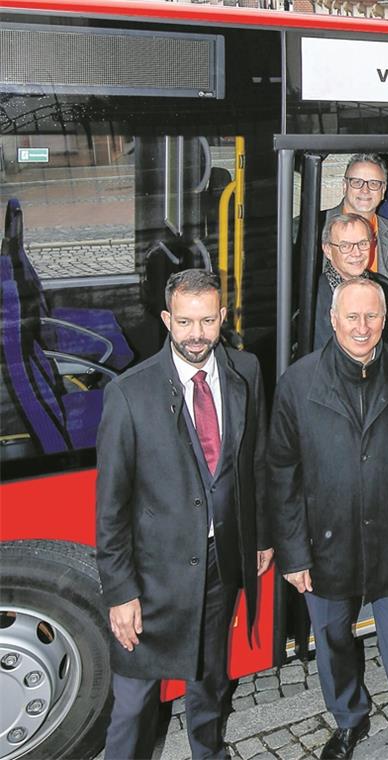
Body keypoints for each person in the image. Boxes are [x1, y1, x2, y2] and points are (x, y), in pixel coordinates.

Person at [97, 269, 273, 759]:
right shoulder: (129, 394)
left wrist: (258, 537)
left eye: (207, 321)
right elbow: (110, 506)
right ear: (166, 320)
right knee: (133, 704)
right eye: (184, 322)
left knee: (211, 682)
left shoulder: (247, 371)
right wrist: (121, 592)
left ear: (222, 317)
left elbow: (254, 462)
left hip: (219, 565)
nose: (197, 335)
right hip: (151, 577)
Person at [269, 278, 388, 760]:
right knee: (333, 647)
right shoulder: (299, 382)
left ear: (385, 321)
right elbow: (281, 472)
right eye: (352, 317)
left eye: (372, 317)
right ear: (333, 319)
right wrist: (293, 551)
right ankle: (350, 719)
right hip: (325, 545)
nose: (362, 327)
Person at [313, 212, 388, 350]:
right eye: (345, 246)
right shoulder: (311, 296)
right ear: (328, 250)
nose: (357, 253)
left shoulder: (387, 289)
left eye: (363, 243)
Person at [323, 153, 388, 291]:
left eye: (374, 183)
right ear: (344, 186)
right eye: (357, 182)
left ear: (383, 190)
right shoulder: (316, 225)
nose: (365, 190)